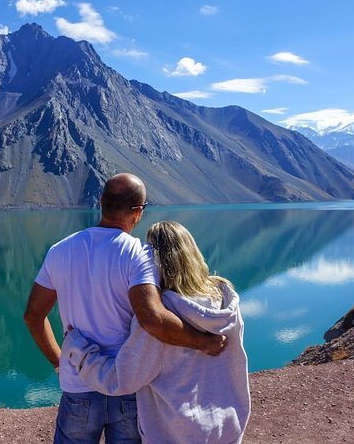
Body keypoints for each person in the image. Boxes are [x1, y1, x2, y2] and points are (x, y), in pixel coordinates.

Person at [23, 174, 227, 443]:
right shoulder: (139, 255)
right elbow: (152, 319)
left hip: (78, 383)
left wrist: (59, 362)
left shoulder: (60, 251)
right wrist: (203, 341)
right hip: (128, 387)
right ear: (138, 212)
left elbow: (33, 316)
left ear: (101, 203)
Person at [62, 221, 251, 443]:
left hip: (179, 434)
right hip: (228, 426)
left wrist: (77, 349)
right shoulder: (226, 303)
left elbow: (120, 381)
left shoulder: (160, 320)